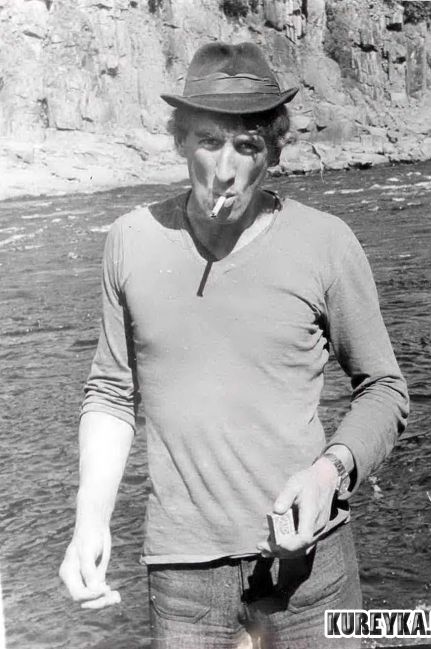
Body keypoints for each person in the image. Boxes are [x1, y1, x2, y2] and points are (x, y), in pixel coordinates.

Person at [59, 41, 409, 648]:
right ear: (179, 141)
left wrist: (331, 471)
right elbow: (111, 395)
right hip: (182, 582)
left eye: (246, 146)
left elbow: (384, 388)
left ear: (273, 151)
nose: (225, 170)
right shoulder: (130, 240)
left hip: (312, 568)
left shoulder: (327, 242)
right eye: (208, 141)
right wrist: (90, 521)